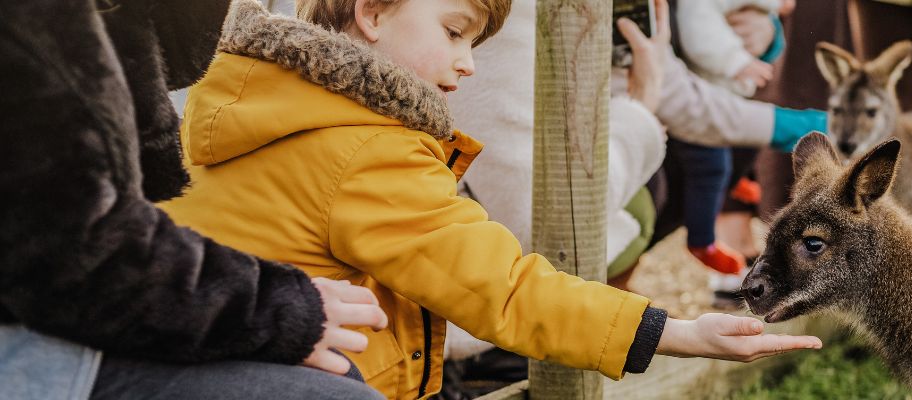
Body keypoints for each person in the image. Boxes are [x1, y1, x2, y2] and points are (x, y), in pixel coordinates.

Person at [159, 1, 824, 399]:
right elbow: (504, 289)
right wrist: (675, 332)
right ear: (371, 11)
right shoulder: (366, 147)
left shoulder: (259, 101)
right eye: (454, 31)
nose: (468, 62)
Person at [0, 0, 388, 399]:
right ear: (370, 17)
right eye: (449, 32)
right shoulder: (29, 26)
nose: (460, 64)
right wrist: (279, 309)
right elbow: (75, 254)